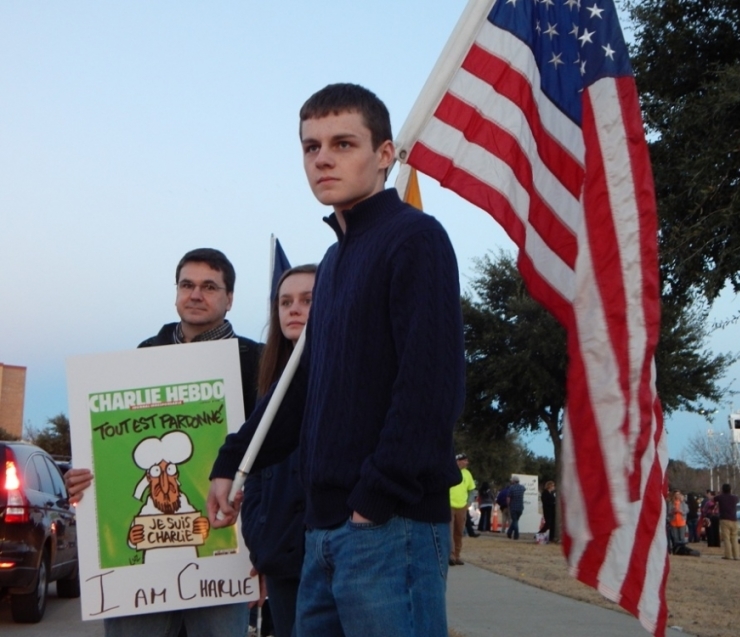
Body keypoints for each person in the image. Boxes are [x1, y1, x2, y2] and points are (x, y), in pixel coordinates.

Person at [207, 83, 465, 637]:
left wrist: (374, 498)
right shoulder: (334, 258)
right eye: (310, 146)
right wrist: (231, 461)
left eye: (343, 143)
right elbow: (301, 392)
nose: (322, 158)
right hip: (321, 532)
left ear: (384, 154)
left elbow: (431, 386)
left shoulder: (415, 239)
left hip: (388, 527)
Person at [64, 247, 261, 637]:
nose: (195, 294)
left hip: (226, 555)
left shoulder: (256, 362)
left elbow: (274, 459)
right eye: (187, 285)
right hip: (139, 580)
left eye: (209, 286)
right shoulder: (141, 357)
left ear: (230, 298)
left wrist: (266, 550)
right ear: (176, 292)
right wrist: (87, 476)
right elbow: (114, 449)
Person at [240, 265, 316, 637]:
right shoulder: (268, 383)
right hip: (281, 555)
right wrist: (259, 534)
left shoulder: (342, 373)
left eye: (307, 300)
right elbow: (255, 468)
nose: (294, 309)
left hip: (330, 551)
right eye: (285, 302)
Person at [449, 453, 477, 565]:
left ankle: (457, 555)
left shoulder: (467, 474)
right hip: (449, 505)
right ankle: (450, 555)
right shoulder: (450, 471)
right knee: (449, 531)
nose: (467, 462)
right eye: (464, 460)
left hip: (462, 506)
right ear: (458, 461)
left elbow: (472, 489)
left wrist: (468, 502)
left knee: (459, 531)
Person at [714, 483, 739, 560]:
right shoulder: (735, 498)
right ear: (730, 490)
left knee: (726, 538)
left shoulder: (721, 497)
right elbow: (737, 500)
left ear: (722, 490)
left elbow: (714, 499)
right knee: (734, 538)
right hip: (734, 519)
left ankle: (728, 555)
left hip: (724, 519)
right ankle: (736, 555)